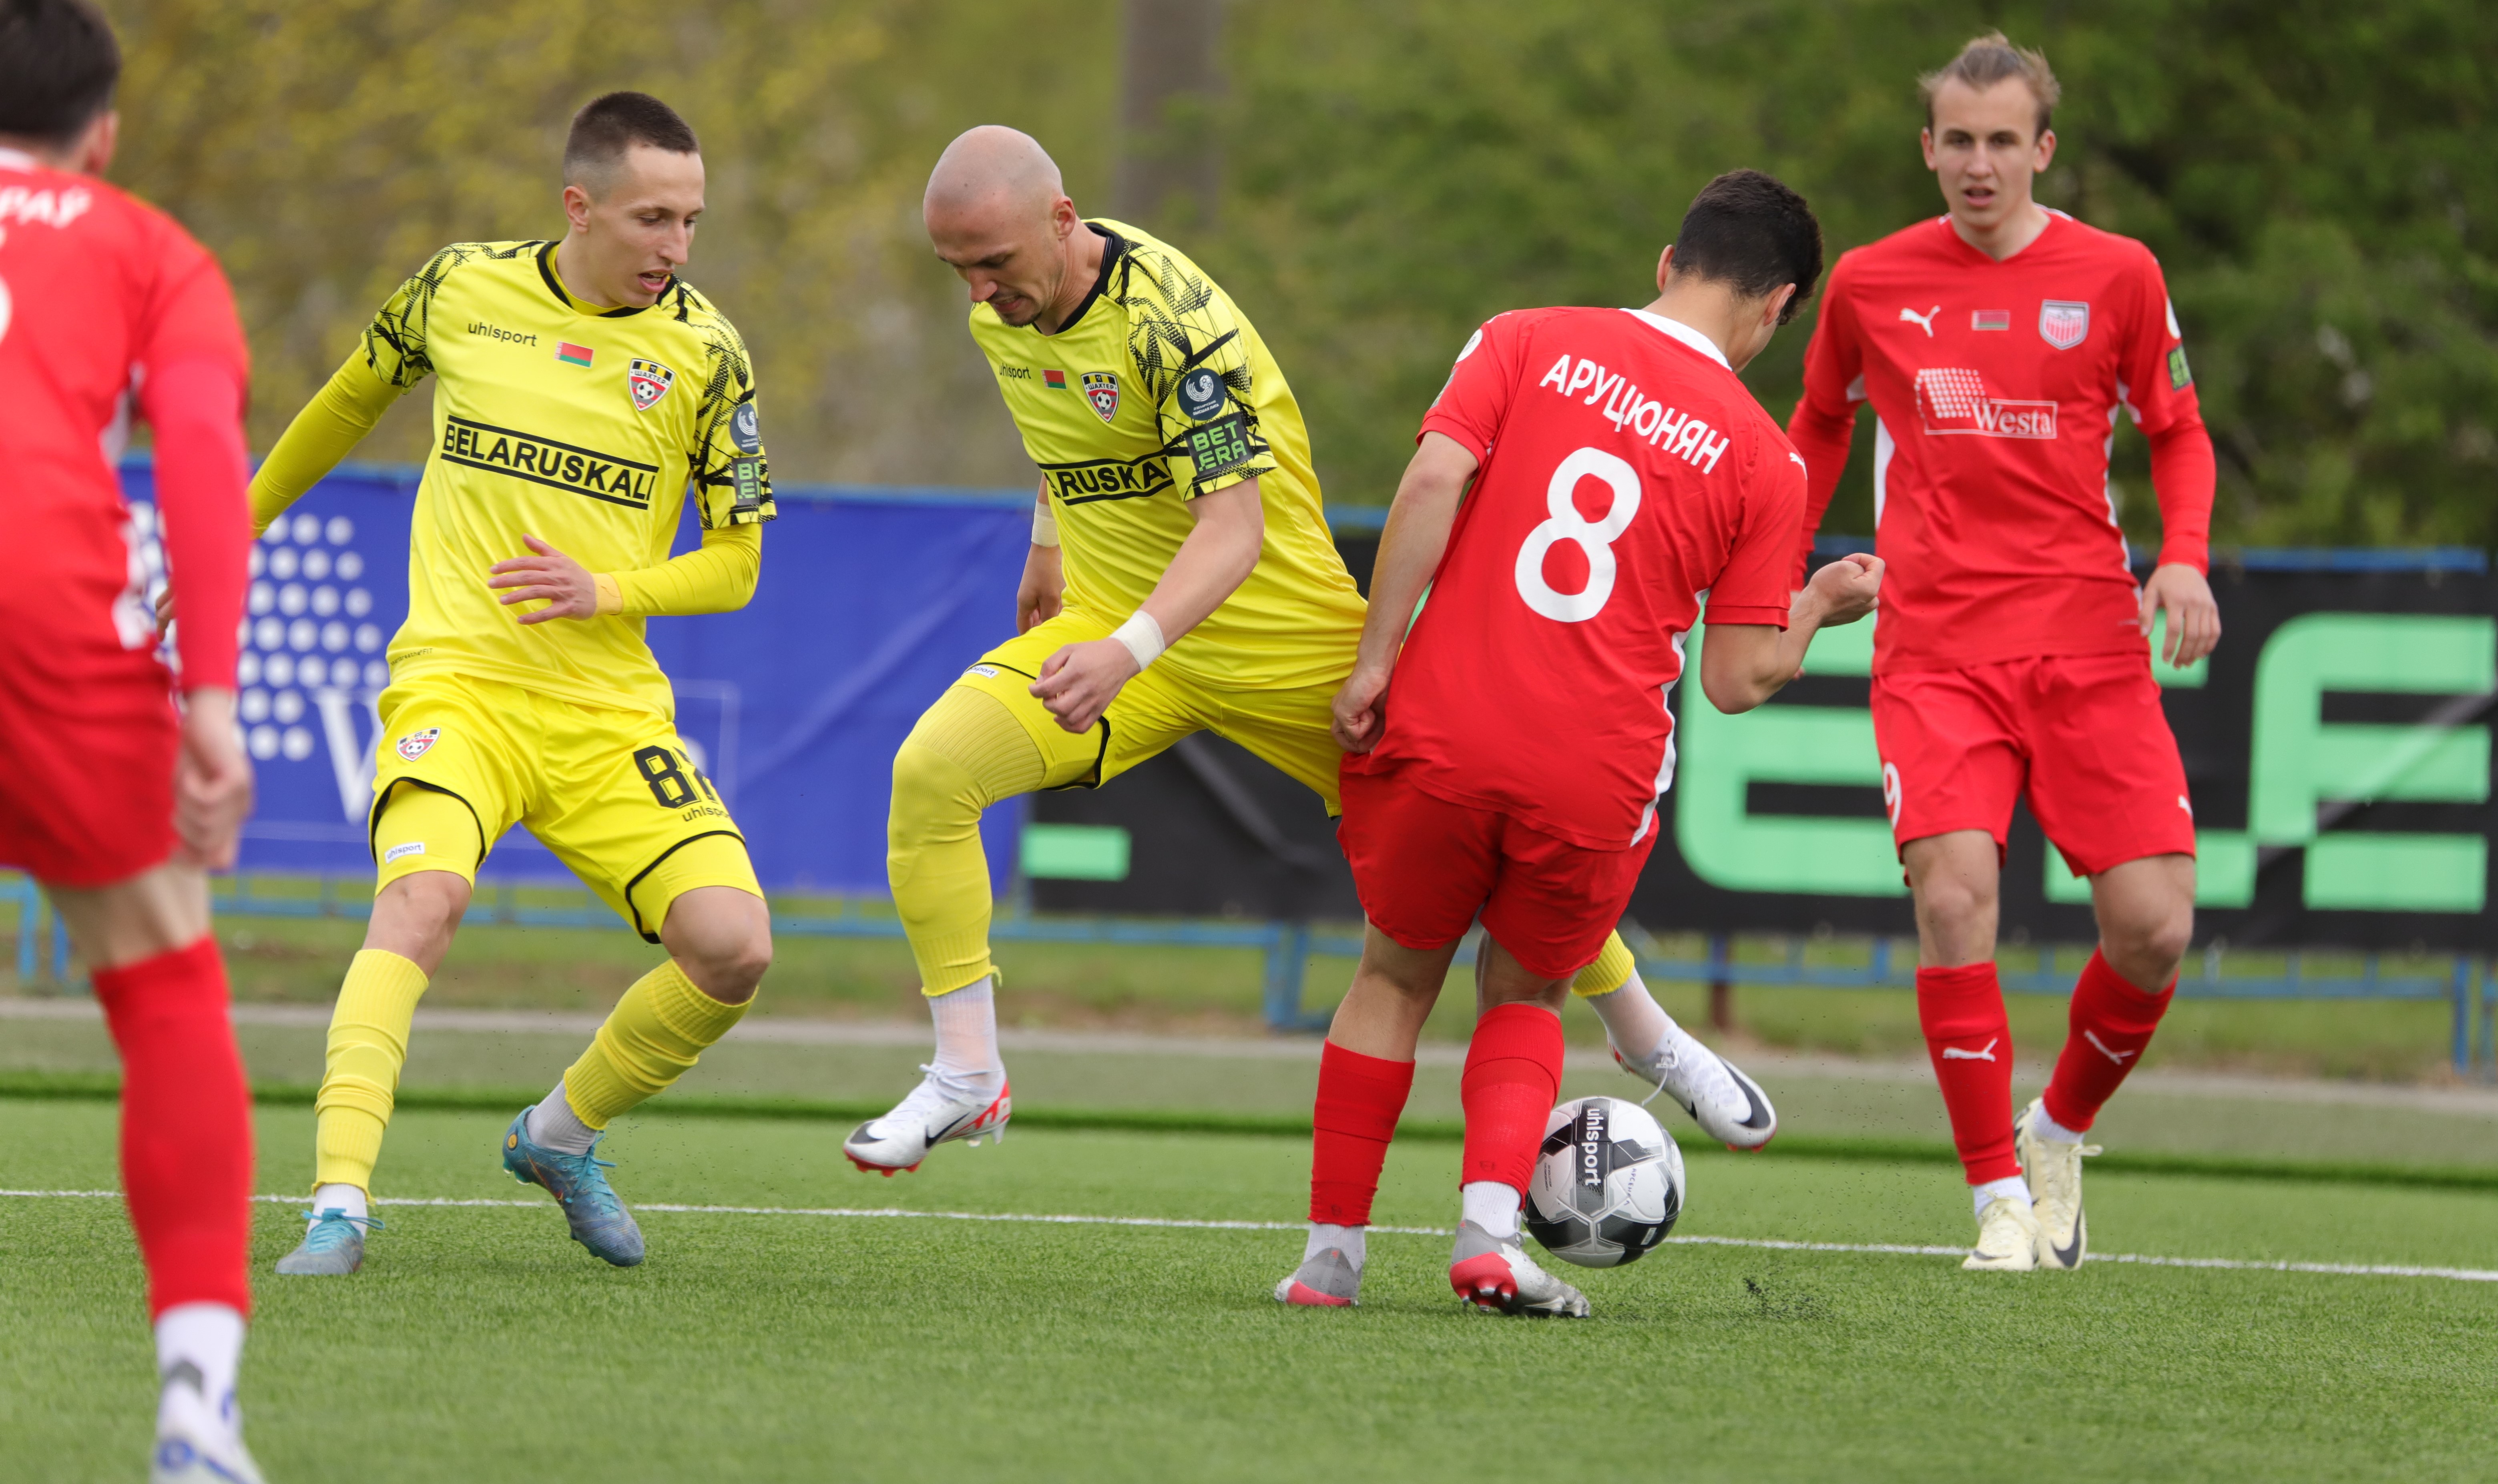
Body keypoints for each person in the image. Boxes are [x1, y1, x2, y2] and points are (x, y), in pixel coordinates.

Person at [852, 126, 1774, 1177]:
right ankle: (967, 1074)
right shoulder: (1004, 309)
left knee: (1474, 854)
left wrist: (1125, 649)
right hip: (1116, 633)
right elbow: (1068, 435)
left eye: (994, 265)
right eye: (957, 270)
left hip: (1280, 643)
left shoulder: (1174, 326)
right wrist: (1047, 550)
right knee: (931, 773)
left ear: (1062, 224)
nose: (978, 293)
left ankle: (1644, 1030)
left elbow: (1233, 533)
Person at [1273, 171, 1879, 1316]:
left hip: (1444, 720)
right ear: (1778, 307)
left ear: (1667, 264)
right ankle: (1489, 1238)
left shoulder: (1525, 337)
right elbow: (1739, 678)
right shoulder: (1766, 458)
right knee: (1528, 993)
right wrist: (1820, 606)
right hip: (1590, 765)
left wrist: (1373, 660)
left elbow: (1432, 479)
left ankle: (1330, 1257)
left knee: (1391, 977)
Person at [233, 91, 778, 1275]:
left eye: (691, 221)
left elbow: (738, 562)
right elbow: (345, 403)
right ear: (578, 207)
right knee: (421, 906)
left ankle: (558, 1136)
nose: (676, 248)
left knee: (736, 946)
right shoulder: (458, 288)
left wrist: (609, 590)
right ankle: (338, 1204)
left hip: (606, 713)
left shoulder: (708, 352)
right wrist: (239, 522)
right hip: (458, 687)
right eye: (651, 219)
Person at [1786, 33, 2219, 1273]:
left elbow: (2179, 430)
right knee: (1955, 896)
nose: (1979, 164)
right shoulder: (1870, 284)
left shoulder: (2121, 273)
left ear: (2044, 148)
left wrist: (2180, 555)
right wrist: (1778, 562)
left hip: (2090, 641)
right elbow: (1816, 426)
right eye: (1957, 141)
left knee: (2154, 929)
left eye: (2002, 141)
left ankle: (2057, 1133)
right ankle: (1995, 1200)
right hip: (1937, 648)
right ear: (1929, 149)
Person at [0, 1, 266, 1476]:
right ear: (103, 129)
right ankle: (194, 1406)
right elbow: (205, 466)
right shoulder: (149, 246)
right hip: (42, 609)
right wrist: (211, 705)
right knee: (165, 978)